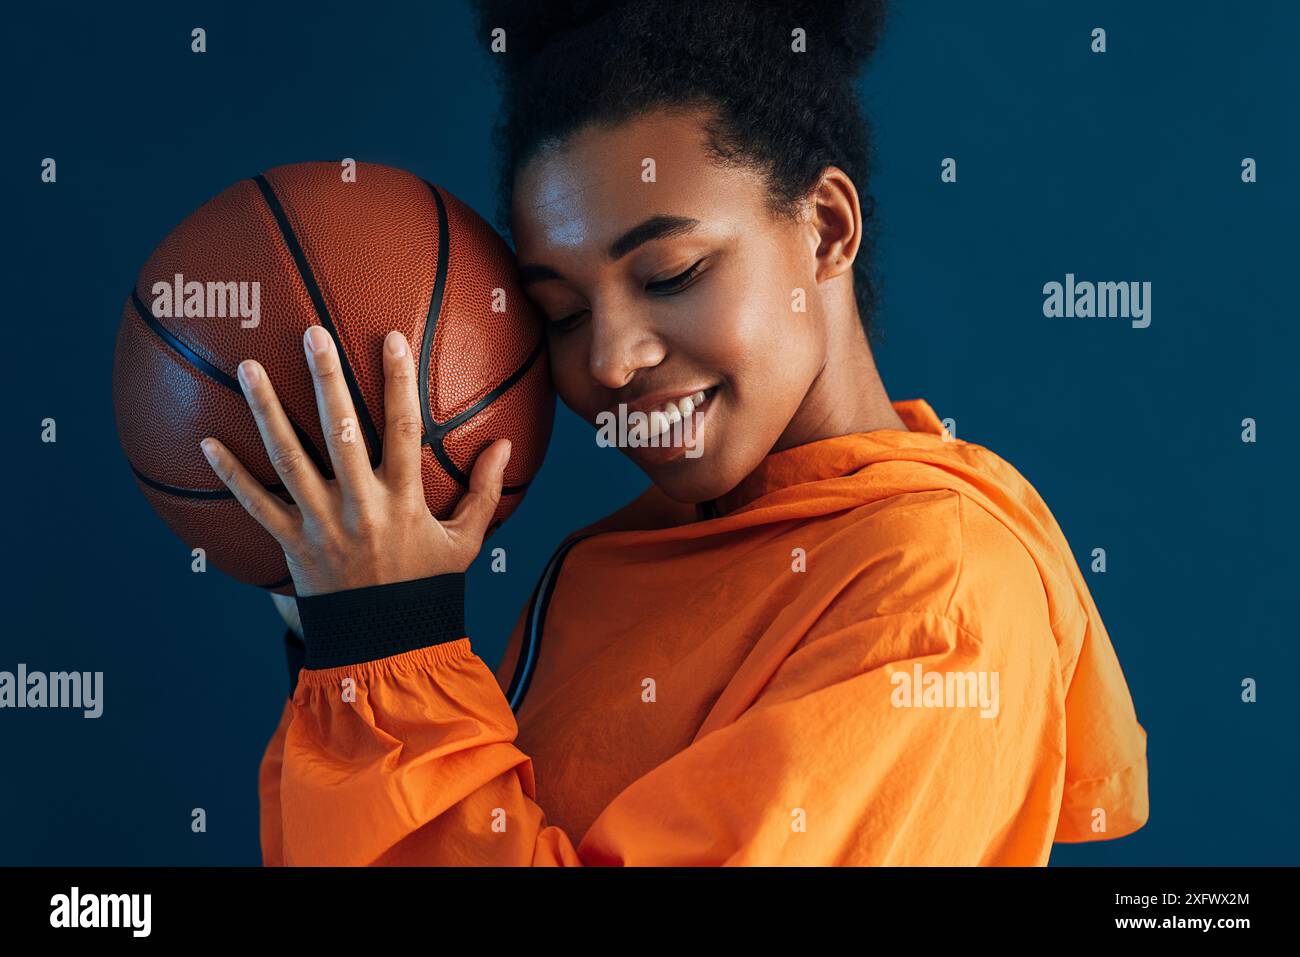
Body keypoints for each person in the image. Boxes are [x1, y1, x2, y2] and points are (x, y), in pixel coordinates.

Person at [199, 0, 1149, 865]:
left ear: (824, 228)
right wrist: (344, 633)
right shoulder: (623, 557)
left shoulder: (936, 594)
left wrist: (388, 650)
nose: (610, 360)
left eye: (670, 274)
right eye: (563, 313)